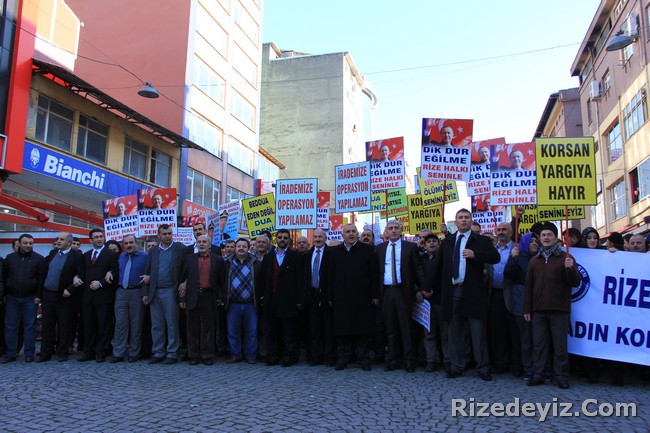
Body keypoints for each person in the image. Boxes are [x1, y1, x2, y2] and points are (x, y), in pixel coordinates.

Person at [426, 209, 500, 381]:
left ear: (471, 221)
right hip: (453, 290)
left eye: (467, 217)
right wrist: (426, 286)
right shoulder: (447, 242)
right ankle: (456, 366)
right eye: (460, 218)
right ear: (456, 222)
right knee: (454, 330)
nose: (464, 220)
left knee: (477, 330)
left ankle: (483, 367)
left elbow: (495, 257)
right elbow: (437, 265)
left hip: (473, 291)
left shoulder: (481, 240)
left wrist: (476, 255)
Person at [524, 223, 581, 389]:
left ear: (556, 238)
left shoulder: (566, 258)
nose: (546, 237)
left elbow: (575, 282)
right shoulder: (534, 261)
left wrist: (570, 269)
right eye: (543, 235)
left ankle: (561, 376)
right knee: (539, 345)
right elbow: (529, 286)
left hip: (559, 309)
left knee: (560, 345)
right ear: (540, 239)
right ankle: (538, 374)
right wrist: (527, 308)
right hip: (538, 310)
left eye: (549, 235)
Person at [328, 224, 380, 371]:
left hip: (363, 297)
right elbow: (330, 276)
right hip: (341, 297)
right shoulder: (335, 252)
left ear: (357, 234)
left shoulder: (368, 250)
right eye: (348, 232)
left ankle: (363, 359)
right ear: (342, 235)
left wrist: (375, 295)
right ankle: (343, 359)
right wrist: (330, 296)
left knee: (362, 329)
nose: (351, 234)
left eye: (353, 231)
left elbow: (374, 274)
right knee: (343, 330)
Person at [376, 220, 424, 373]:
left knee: (406, 327)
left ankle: (409, 360)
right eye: (390, 228)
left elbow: (417, 268)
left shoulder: (410, 247)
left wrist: (423, 288)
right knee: (390, 328)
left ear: (401, 230)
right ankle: (393, 359)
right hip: (387, 292)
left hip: (404, 291)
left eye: (396, 228)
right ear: (386, 231)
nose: (393, 231)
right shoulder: (380, 248)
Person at [142, 224, 186, 364]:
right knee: (157, 324)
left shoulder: (180, 248)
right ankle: (158, 352)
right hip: (155, 291)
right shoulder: (153, 251)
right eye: (165, 234)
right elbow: (147, 271)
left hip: (170, 291)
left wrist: (184, 283)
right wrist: (145, 293)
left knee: (172, 323)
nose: (168, 236)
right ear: (159, 235)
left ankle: (172, 353)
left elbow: (185, 268)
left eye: (169, 233)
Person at [259, 229, 303, 367]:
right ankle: (272, 356)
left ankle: (289, 356)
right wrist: (262, 297)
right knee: (271, 329)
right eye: (280, 237)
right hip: (271, 298)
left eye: (285, 237)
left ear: (289, 240)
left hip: (289, 299)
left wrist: (299, 300)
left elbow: (300, 280)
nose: (282, 239)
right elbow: (262, 278)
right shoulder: (268, 257)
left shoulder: (295, 257)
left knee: (288, 330)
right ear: (275, 239)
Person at [179, 234, 225, 366]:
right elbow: (182, 280)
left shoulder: (217, 260)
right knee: (192, 328)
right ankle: (193, 355)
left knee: (208, 328)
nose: (202, 244)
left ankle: (207, 355)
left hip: (209, 296)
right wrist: (182, 298)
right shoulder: (189, 259)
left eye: (204, 242)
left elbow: (221, 281)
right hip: (192, 296)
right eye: (199, 242)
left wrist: (220, 298)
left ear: (209, 244)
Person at [38, 232, 84, 362]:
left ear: (69, 243)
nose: (58, 241)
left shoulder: (76, 256)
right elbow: (44, 273)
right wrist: (40, 293)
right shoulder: (53, 253)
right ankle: (46, 352)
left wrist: (70, 289)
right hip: (48, 294)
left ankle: (62, 352)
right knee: (47, 325)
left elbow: (81, 275)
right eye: (58, 239)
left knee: (64, 325)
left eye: (61, 239)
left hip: (64, 296)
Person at [1, 234, 45, 363]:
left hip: (30, 298)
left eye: (30, 243)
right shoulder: (10, 258)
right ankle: (11, 353)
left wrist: (39, 296)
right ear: (19, 243)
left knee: (30, 327)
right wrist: (3, 295)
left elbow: (41, 279)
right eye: (25, 243)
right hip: (11, 297)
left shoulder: (39, 259)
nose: (28, 245)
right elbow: (3, 277)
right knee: (10, 326)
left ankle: (29, 353)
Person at [78, 229, 119, 363]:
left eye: (101, 236)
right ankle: (88, 351)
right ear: (91, 240)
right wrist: (76, 277)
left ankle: (102, 351)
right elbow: (82, 272)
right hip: (88, 296)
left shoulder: (111, 254)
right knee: (88, 326)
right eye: (96, 237)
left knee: (104, 325)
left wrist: (101, 283)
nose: (99, 239)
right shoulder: (86, 255)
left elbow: (115, 272)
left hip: (103, 296)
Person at [487, 222, 522, 377]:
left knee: (514, 331)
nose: (501, 232)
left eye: (504, 230)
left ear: (511, 232)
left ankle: (516, 364)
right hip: (495, 294)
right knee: (498, 330)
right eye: (499, 230)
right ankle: (501, 363)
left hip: (512, 294)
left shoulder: (517, 249)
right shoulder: (492, 250)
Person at [504, 232, 538, 381]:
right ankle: (528, 368)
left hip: (538, 302)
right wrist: (513, 258)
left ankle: (541, 368)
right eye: (531, 241)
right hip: (521, 301)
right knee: (525, 338)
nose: (534, 243)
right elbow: (508, 274)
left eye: (536, 241)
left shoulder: (542, 258)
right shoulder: (518, 257)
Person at [224, 238, 261, 364]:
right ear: (235, 248)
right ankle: (235, 355)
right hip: (233, 303)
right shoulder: (227, 263)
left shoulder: (255, 263)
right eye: (239, 246)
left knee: (252, 331)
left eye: (244, 246)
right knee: (233, 332)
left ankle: (251, 355)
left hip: (250, 303)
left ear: (248, 248)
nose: (241, 248)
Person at [111, 234, 148, 363]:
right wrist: (109, 272)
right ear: (123, 245)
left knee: (136, 324)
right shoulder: (121, 257)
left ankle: (134, 352)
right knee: (120, 324)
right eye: (126, 243)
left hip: (137, 292)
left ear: (136, 243)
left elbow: (150, 273)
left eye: (131, 242)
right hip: (121, 292)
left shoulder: (145, 257)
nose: (129, 245)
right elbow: (114, 270)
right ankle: (118, 353)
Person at [304, 228, 334, 366]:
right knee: (314, 327)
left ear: (325, 238)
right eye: (315, 237)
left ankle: (329, 357)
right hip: (312, 295)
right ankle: (316, 356)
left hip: (326, 294)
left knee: (328, 328)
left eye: (320, 237)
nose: (317, 239)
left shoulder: (331, 254)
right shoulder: (307, 255)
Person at [418, 233, 448, 372]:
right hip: (426, 302)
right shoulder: (420, 259)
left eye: (434, 241)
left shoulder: (445, 259)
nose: (431, 243)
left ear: (439, 244)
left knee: (445, 334)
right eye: (428, 241)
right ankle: (431, 360)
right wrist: (421, 290)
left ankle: (447, 360)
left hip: (442, 300)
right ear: (424, 245)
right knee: (429, 333)